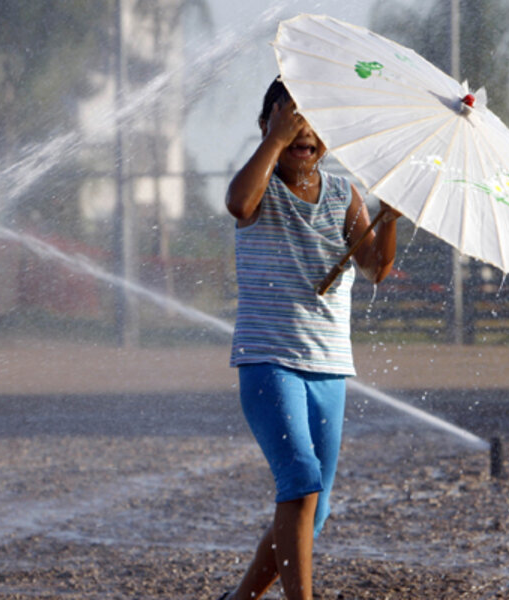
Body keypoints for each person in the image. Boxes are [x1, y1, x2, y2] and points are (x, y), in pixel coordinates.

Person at [218, 77, 400, 600]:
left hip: (328, 368)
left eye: (313, 122)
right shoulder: (260, 184)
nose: (304, 131)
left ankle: (239, 599)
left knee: (312, 511)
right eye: (291, 118)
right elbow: (237, 204)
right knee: (299, 478)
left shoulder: (344, 194)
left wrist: (387, 221)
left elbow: (375, 268)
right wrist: (273, 142)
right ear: (267, 124)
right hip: (269, 361)